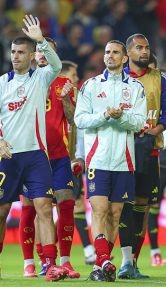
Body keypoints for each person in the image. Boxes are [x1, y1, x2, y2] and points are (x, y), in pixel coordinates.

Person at [0, 15, 67, 282]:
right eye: (13, 52)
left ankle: (50, 264)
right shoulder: (1, 83)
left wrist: (41, 40)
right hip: (7, 156)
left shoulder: (41, 78)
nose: (16, 56)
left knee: (43, 206)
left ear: (31, 56)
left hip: (37, 155)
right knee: (2, 211)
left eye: (21, 52)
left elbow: (57, 64)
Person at [74, 39, 147, 282]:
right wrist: (105, 115)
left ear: (125, 58)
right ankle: (104, 261)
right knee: (99, 210)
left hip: (124, 161)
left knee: (115, 214)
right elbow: (80, 120)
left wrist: (120, 117)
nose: (110, 56)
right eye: (107, 52)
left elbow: (139, 123)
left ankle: (101, 265)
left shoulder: (136, 88)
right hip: (98, 159)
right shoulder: (91, 86)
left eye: (115, 52)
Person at [19, 38, 80, 278]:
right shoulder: (25, 83)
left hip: (58, 157)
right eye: (40, 51)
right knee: (30, 208)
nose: (43, 54)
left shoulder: (65, 84)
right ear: (33, 56)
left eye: (48, 51)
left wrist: (66, 99)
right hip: (32, 155)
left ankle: (64, 260)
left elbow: (74, 119)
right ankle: (29, 262)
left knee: (66, 203)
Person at [117, 33, 166, 279]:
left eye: (147, 47)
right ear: (128, 53)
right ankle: (120, 260)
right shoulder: (116, 79)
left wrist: (156, 130)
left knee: (142, 206)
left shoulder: (159, 79)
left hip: (149, 149)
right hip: (121, 149)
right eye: (139, 47)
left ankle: (133, 263)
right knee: (121, 205)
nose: (144, 51)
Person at [61, 60, 97, 265]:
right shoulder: (51, 97)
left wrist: (81, 156)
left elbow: (81, 130)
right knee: (46, 208)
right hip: (53, 159)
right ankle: (40, 258)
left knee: (76, 204)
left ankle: (88, 250)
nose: (76, 79)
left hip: (73, 159)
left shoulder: (79, 98)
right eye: (73, 75)